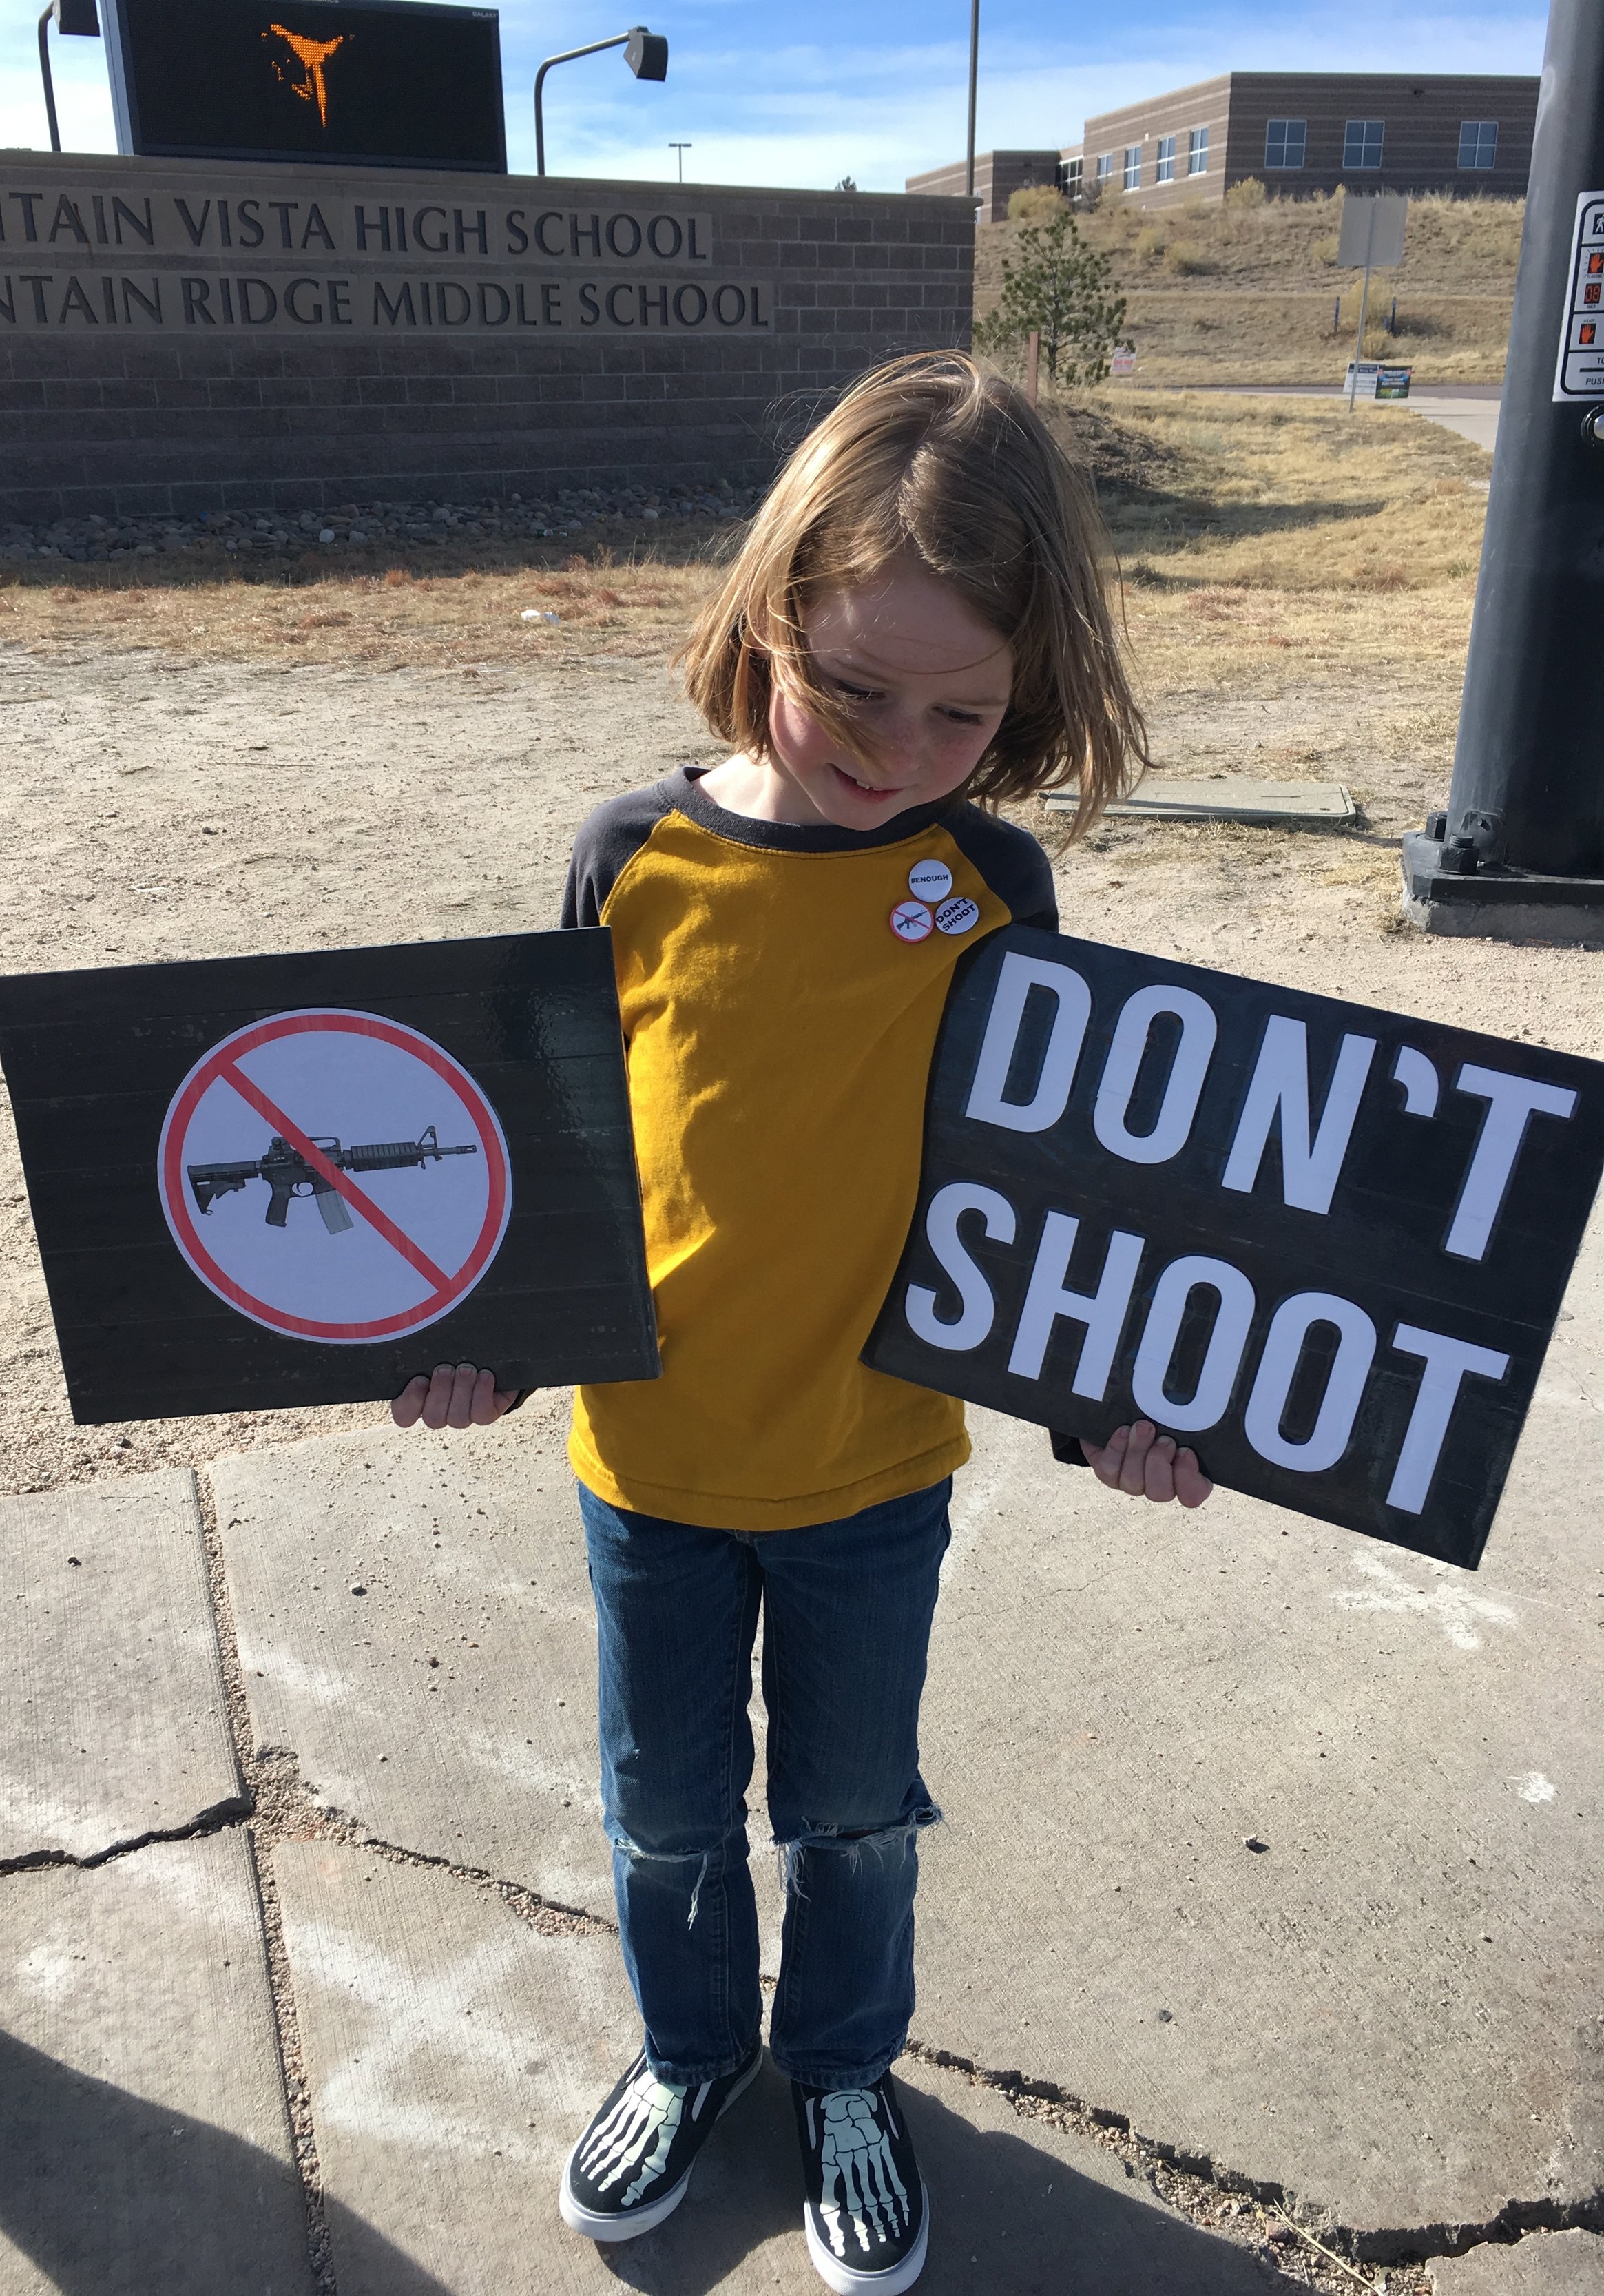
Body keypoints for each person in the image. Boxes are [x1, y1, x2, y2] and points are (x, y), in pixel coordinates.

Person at [392, 351, 1213, 2295]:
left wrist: (1113, 1410)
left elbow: (1042, 1196)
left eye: (962, 709)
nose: (896, 740)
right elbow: (556, 1155)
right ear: (766, 607)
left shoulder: (987, 882)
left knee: (848, 1819)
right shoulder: (629, 856)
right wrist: (481, 1337)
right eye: (849, 680)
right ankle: (690, 2055)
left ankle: (845, 2074)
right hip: (648, 1468)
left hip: (870, 1478)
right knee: (667, 1816)